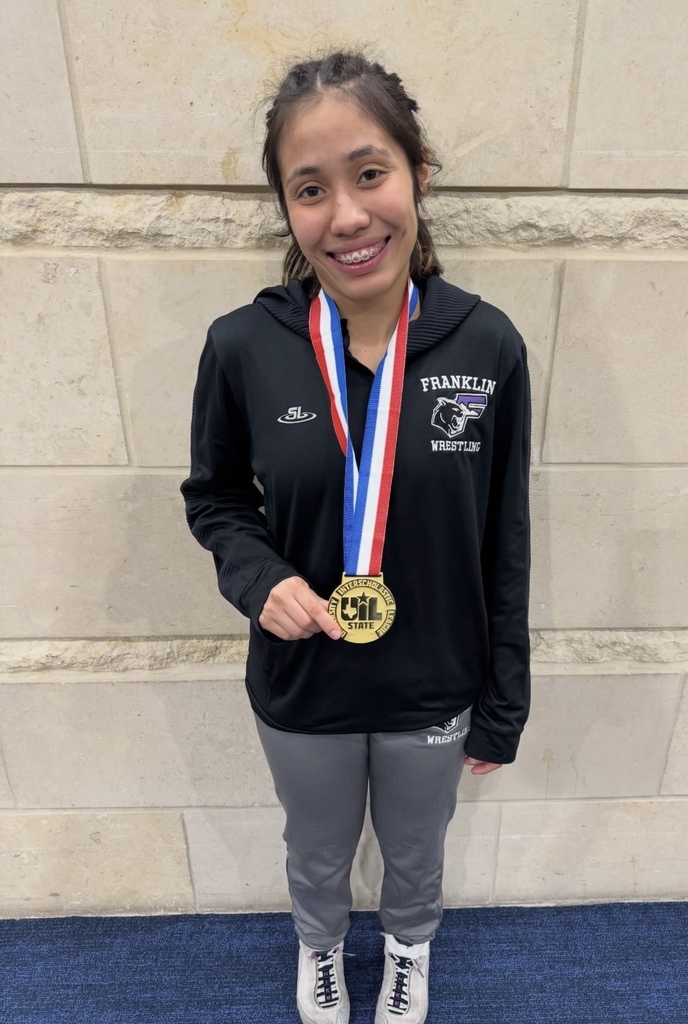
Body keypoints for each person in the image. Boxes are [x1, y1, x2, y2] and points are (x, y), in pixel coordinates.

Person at [181, 50, 531, 1024]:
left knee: (418, 847)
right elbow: (213, 498)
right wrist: (258, 579)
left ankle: (410, 952)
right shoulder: (243, 347)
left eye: (368, 173)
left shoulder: (486, 343)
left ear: (419, 170)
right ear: (286, 207)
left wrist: (505, 694)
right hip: (304, 681)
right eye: (309, 188)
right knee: (317, 846)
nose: (345, 214)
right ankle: (321, 954)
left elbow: (506, 531)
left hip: (434, 677)